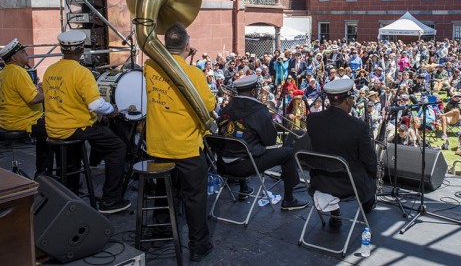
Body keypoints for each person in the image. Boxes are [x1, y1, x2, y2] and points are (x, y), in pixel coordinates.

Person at [143, 23, 216, 262]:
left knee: (165, 193)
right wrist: (188, 59)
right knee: (195, 198)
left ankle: (161, 232)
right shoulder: (193, 73)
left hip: (159, 144)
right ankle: (198, 245)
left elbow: (164, 62)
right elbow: (209, 105)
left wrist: (182, 55)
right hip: (186, 147)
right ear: (187, 45)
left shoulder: (150, 66)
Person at [43, 31, 128, 214]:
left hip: (53, 128)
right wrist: (112, 110)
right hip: (75, 127)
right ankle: (111, 200)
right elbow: (95, 104)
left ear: (62, 49)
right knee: (117, 147)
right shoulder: (81, 72)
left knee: (92, 139)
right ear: (81, 48)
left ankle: (69, 193)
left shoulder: (50, 70)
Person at [216, 74, 309, 211]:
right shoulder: (258, 109)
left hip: (222, 165)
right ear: (253, 91)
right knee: (288, 153)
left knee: (239, 141)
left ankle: (244, 189)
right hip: (244, 166)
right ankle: (289, 199)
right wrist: (267, 121)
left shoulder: (227, 107)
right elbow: (270, 140)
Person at [306, 78, 377, 227]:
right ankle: (366, 206)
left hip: (319, 182)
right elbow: (369, 159)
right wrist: (374, 174)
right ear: (348, 100)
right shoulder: (359, 127)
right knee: (369, 174)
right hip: (348, 185)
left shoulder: (312, 119)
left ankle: (334, 212)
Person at [0, 38, 49, 176]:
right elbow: (33, 99)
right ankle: (44, 174)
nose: (26, 54)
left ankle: (43, 172)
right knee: (59, 127)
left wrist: (37, 89)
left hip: (6, 121)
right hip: (24, 122)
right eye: (23, 52)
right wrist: (50, 90)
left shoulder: (3, 73)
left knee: (46, 130)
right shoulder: (18, 72)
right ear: (14, 58)